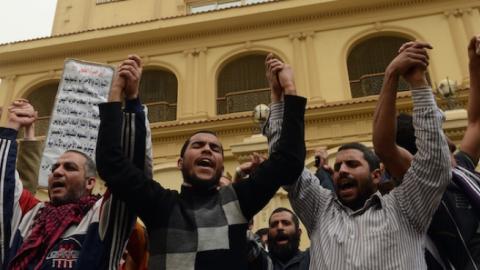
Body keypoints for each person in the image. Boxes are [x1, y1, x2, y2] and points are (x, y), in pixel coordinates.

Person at [95, 53, 306, 270]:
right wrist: (116, 93)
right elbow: (111, 164)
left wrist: (288, 91)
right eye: (197, 145)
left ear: (221, 166)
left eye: (215, 148)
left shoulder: (238, 201)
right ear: (180, 163)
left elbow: (289, 160)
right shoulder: (160, 205)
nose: (207, 148)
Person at [264, 42, 451, 269]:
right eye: (339, 165)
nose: (341, 170)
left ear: (376, 174)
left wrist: (418, 84)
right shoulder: (320, 211)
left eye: (352, 164)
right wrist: (279, 97)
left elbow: (434, 164)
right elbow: (285, 164)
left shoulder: (406, 207)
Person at [0, 55, 151, 269]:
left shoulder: (101, 216)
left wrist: (126, 100)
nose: (58, 172)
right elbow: (4, 189)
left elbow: (129, 174)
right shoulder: (30, 215)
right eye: (55, 168)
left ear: (90, 182)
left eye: (69, 167)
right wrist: (12, 128)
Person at [373, 36, 480, 269]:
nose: (452, 143)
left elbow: (476, 121)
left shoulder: (462, 169)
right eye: (438, 134)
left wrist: (475, 63)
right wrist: (393, 76)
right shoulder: (420, 182)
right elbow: (383, 146)